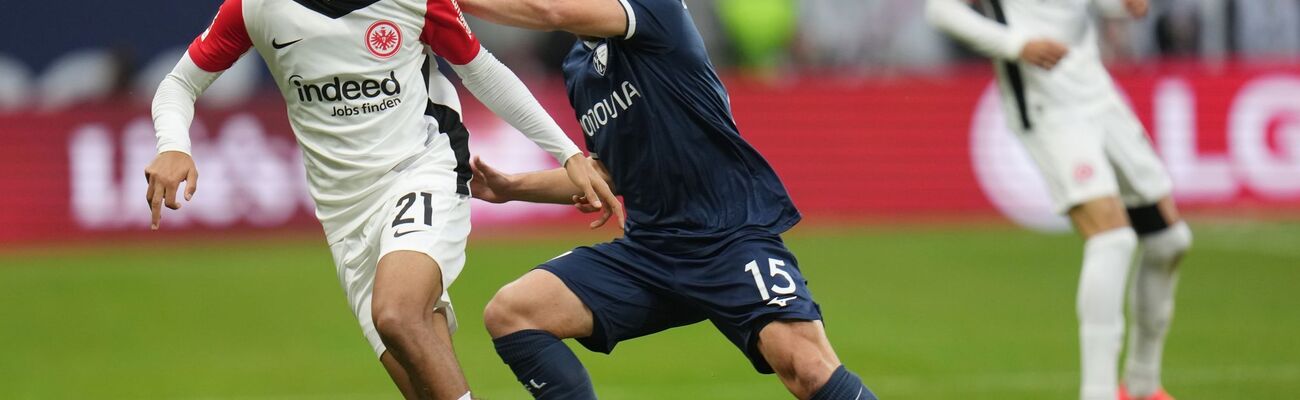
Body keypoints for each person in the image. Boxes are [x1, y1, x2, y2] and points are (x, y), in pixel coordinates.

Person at [143, 0, 620, 398]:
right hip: (344, 211)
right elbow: (179, 84)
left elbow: (482, 71)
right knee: (423, 380)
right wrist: (173, 145)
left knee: (396, 312)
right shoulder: (258, 8)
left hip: (422, 167)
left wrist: (566, 153)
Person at [458, 0, 877, 399]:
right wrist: (510, 188)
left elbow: (549, 9)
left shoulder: (653, 11)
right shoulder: (578, 67)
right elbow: (606, 173)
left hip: (728, 238)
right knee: (512, 312)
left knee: (807, 368)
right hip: (651, 252)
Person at [926, 1, 1192, 399]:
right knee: (1112, 239)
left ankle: (1141, 386)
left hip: (1097, 90)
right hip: (1046, 105)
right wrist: (1015, 43)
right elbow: (941, 10)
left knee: (1170, 241)